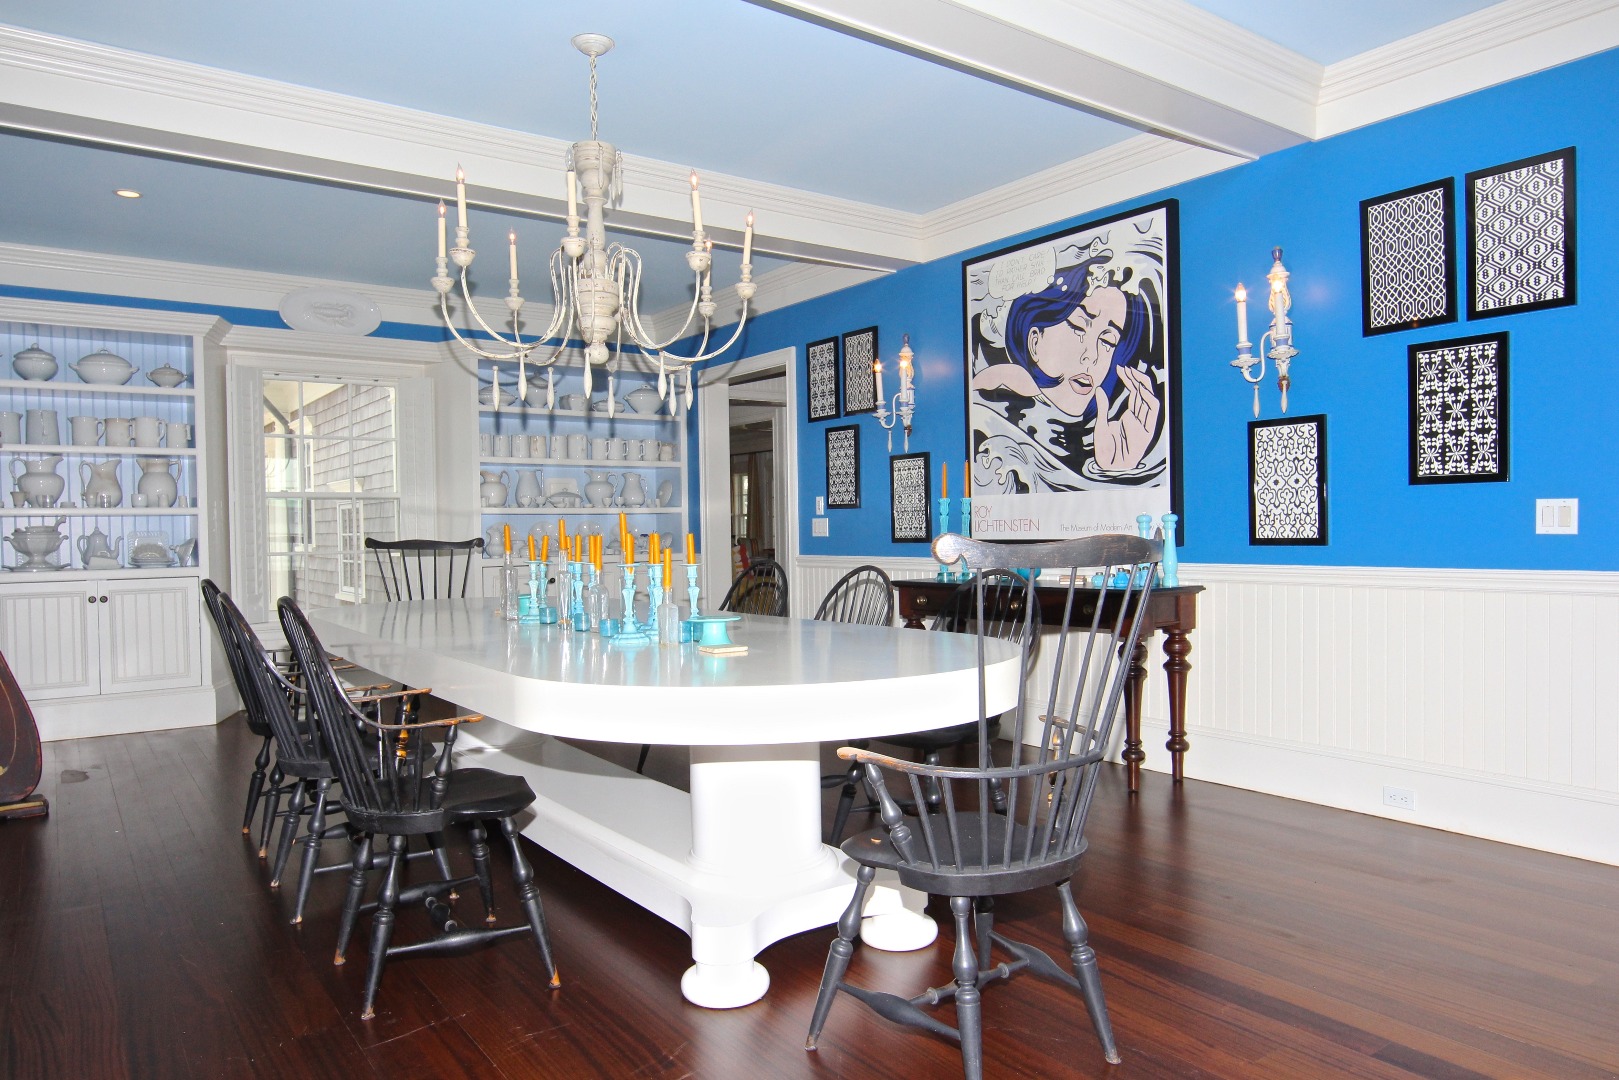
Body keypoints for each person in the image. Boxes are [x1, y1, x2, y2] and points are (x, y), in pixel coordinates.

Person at [972, 262, 1161, 475]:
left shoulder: (1098, 435)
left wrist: (1119, 468)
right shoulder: (991, 409)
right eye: (1079, 327)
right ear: (1034, 341)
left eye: (1108, 341)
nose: (1092, 356)